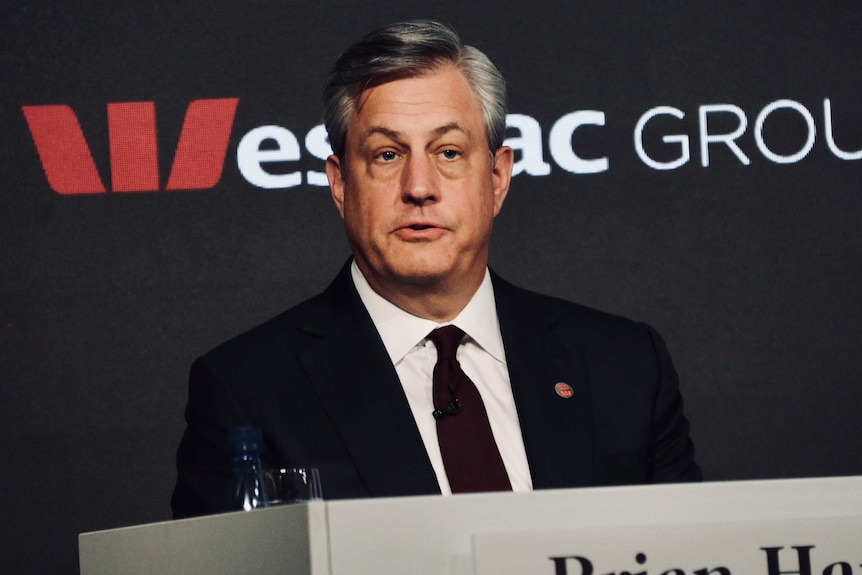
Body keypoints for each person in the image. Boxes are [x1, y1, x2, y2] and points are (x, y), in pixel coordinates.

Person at [171, 20, 700, 518]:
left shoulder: (626, 367)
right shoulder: (246, 391)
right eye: (385, 155)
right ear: (339, 184)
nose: (419, 186)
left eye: (448, 152)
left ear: (496, 178)